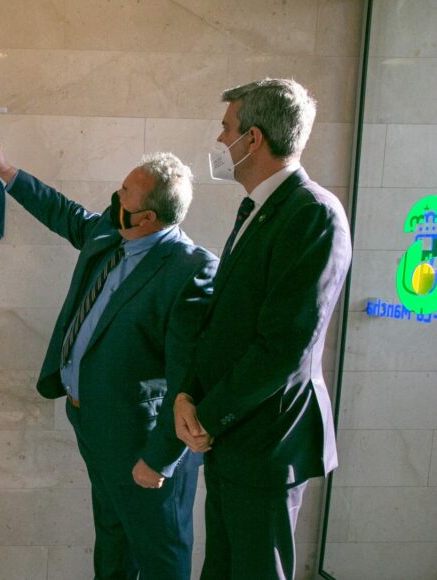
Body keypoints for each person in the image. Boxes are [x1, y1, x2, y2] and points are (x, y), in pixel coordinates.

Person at [0, 142, 217, 579]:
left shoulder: (191, 271)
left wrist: (159, 459)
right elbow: (65, 214)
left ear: (147, 218)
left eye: (125, 193)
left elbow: (189, 380)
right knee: (113, 544)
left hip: (142, 444)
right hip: (95, 428)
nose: (115, 197)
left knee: (160, 555)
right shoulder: (114, 232)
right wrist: (7, 172)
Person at [174, 78, 352, 579]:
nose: (219, 140)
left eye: (226, 128)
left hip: (267, 442)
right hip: (232, 438)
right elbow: (223, 322)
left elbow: (284, 346)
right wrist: (188, 394)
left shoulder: (312, 214)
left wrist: (208, 416)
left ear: (253, 139)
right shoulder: (259, 206)